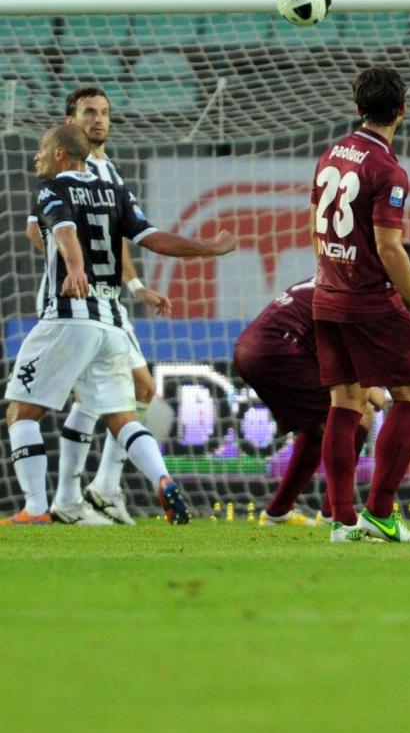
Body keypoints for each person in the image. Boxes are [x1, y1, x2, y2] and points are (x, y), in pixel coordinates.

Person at [3, 124, 236, 526]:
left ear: (61, 154)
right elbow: (152, 238)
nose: (35, 155)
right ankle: (162, 479)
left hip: (67, 317)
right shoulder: (114, 191)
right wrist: (207, 248)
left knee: (21, 413)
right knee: (121, 417)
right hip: (111, 324)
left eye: (42, 148)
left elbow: (63, 230)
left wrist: (75, 269)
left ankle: (36, 509)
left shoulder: (52, 190)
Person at [23, 86, 174, 525]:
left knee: (132, 393)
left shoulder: (109, 171)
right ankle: (82, 494)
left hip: (111, 302)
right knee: (112, 395)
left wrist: (135, 284)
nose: (99, 120)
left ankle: (93, 492)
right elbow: (39, 230)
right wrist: (75, 265)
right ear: (70, 122)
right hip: (77, 303)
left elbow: (115, 238)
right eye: (89, 112)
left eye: (105, 113)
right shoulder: (60, 171)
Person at [311, 66, 410, 544]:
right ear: (403, 111)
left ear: (357, 107)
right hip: (368, 300)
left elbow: (317, 225)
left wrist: (330, 277)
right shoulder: (388, 170)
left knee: (344, 401)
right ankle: (380, 513)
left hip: (327, 293)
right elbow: (390, 248)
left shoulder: (332, 153)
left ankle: (341, 520)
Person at [234, 242, 410, 525]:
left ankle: (278, 512)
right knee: (357, 411)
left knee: (322, 426)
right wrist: (374, 388)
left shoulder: (348, 275)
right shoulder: (373, 292)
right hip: (279, 350)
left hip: (249, 347)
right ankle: (333, 513)